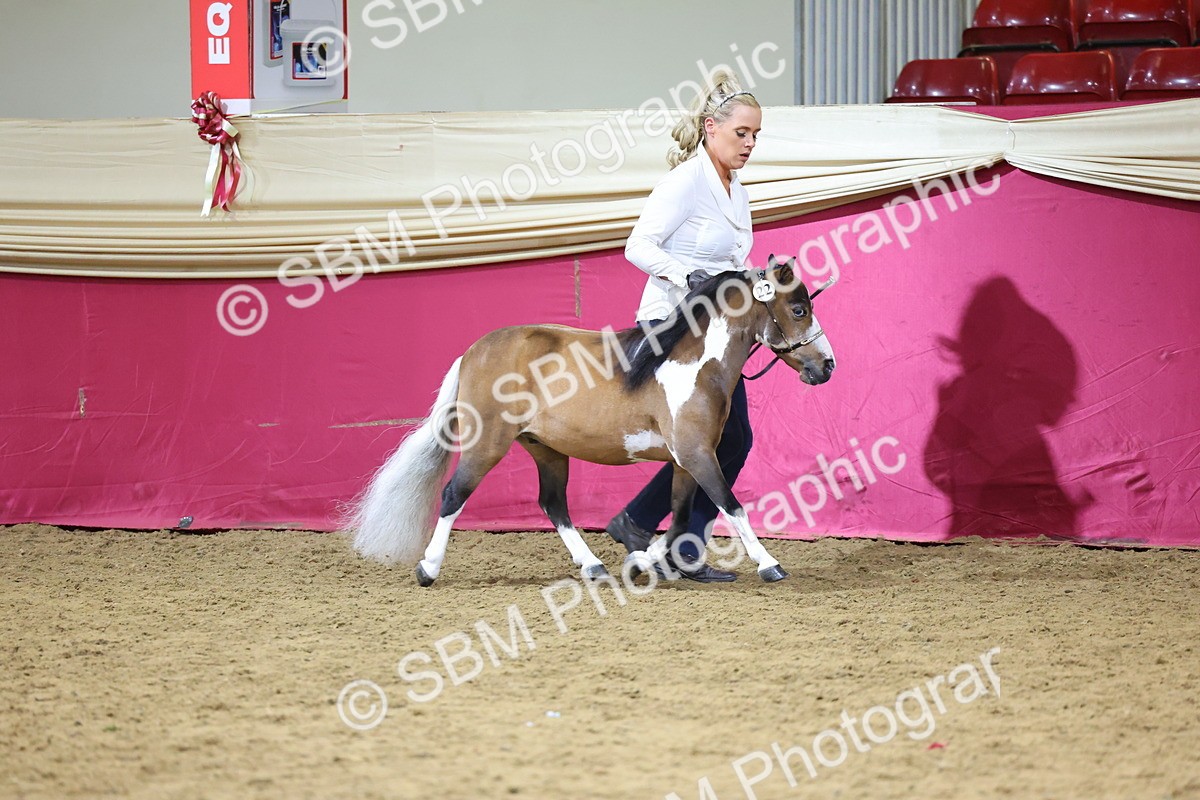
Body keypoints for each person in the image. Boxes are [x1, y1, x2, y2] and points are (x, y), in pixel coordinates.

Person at [606, 70, 761, 583]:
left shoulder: (736, 191)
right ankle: (665, 537)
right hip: (672, 324)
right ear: (711, 127)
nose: (749, 143)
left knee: (732, 440)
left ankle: (652, 529)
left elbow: (732, 261)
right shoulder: (685, 182)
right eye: (742, 132)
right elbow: (637, 245)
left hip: (715, 332)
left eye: (756, 135)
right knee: (724, 438)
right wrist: (685, 275)